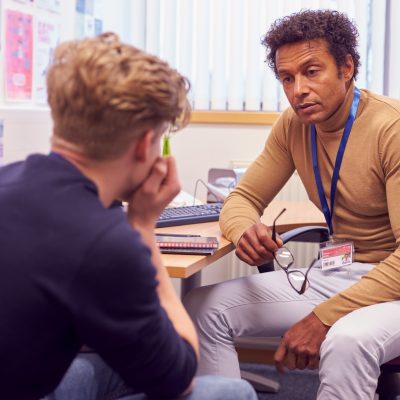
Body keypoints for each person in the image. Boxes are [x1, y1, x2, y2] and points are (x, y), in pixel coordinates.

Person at [0, 33, 256, 400]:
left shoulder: (9, 180)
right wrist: (142, 228)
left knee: (112, 365)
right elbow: (178, 375)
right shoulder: (106, 244)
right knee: (230, 393)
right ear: (142, 145)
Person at [184, 9, 400, 400]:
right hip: (343, 269)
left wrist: (322, 319)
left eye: (312, 72)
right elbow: (242, 198)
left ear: (347, 67)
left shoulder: (392, 128)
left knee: (346, 341)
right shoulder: (294, 125)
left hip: (394, 282)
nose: (297, 89)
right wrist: (243, 228)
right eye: (287, 78)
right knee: (204, 308)